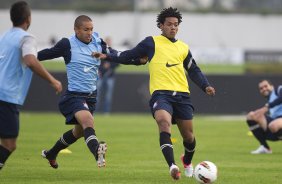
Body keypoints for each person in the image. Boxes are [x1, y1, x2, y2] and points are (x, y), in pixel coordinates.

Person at [93, 7, 216, 180]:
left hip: (182, 95)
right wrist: (108, 55)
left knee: (189, 137)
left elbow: (193, 70)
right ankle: (172, 166)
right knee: (163, 122)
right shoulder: (151, 42)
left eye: (176, 25)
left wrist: (205, 86)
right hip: (161, 95)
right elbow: (128, 56)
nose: (173, 27)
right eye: (169, 24)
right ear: (161, 25)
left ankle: (187, 161)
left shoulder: (183, 47)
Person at [37, 15, 144, 169]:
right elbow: (45, 54)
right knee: (88, 122)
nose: (89, 32)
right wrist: (25, 58)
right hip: (73, 97)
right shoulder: (67, 44)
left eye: (91, 29)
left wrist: (137, 61)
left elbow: (115, 56)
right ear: (76, 30)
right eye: (86, 29)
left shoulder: (97, 42)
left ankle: (51, 153)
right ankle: (97, 153)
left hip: (91, 98)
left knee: (78, 132)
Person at [0, 1, 62, 171]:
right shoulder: (27, 38)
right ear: (28, 18)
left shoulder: (4, 36)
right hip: (6, 96)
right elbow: (30, 60)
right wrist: (52, 80)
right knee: (9, 144)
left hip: (4, 94)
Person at [246, 79, 282, 154]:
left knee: (273, 125)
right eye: (261, 88)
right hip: (275, 124)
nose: (264, 89)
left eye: (266, 86)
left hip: (277, 123)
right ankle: (265, 148)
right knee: (251, 116)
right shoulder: (269, 99)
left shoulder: (279, 89)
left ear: (271, 86)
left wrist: (267, 106)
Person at [96, 37, 119, 114]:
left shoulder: (113, 52)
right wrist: (102, 67)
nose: (108, 43)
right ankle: (95, 111)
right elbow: (96, 62)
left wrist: (109, 64)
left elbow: (117, 63)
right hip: (100, 76)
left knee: (108, 96)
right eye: (107, 42)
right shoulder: (100, 51)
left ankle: (106, 112)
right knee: (97, 95)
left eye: (109, 42)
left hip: (110, 77)